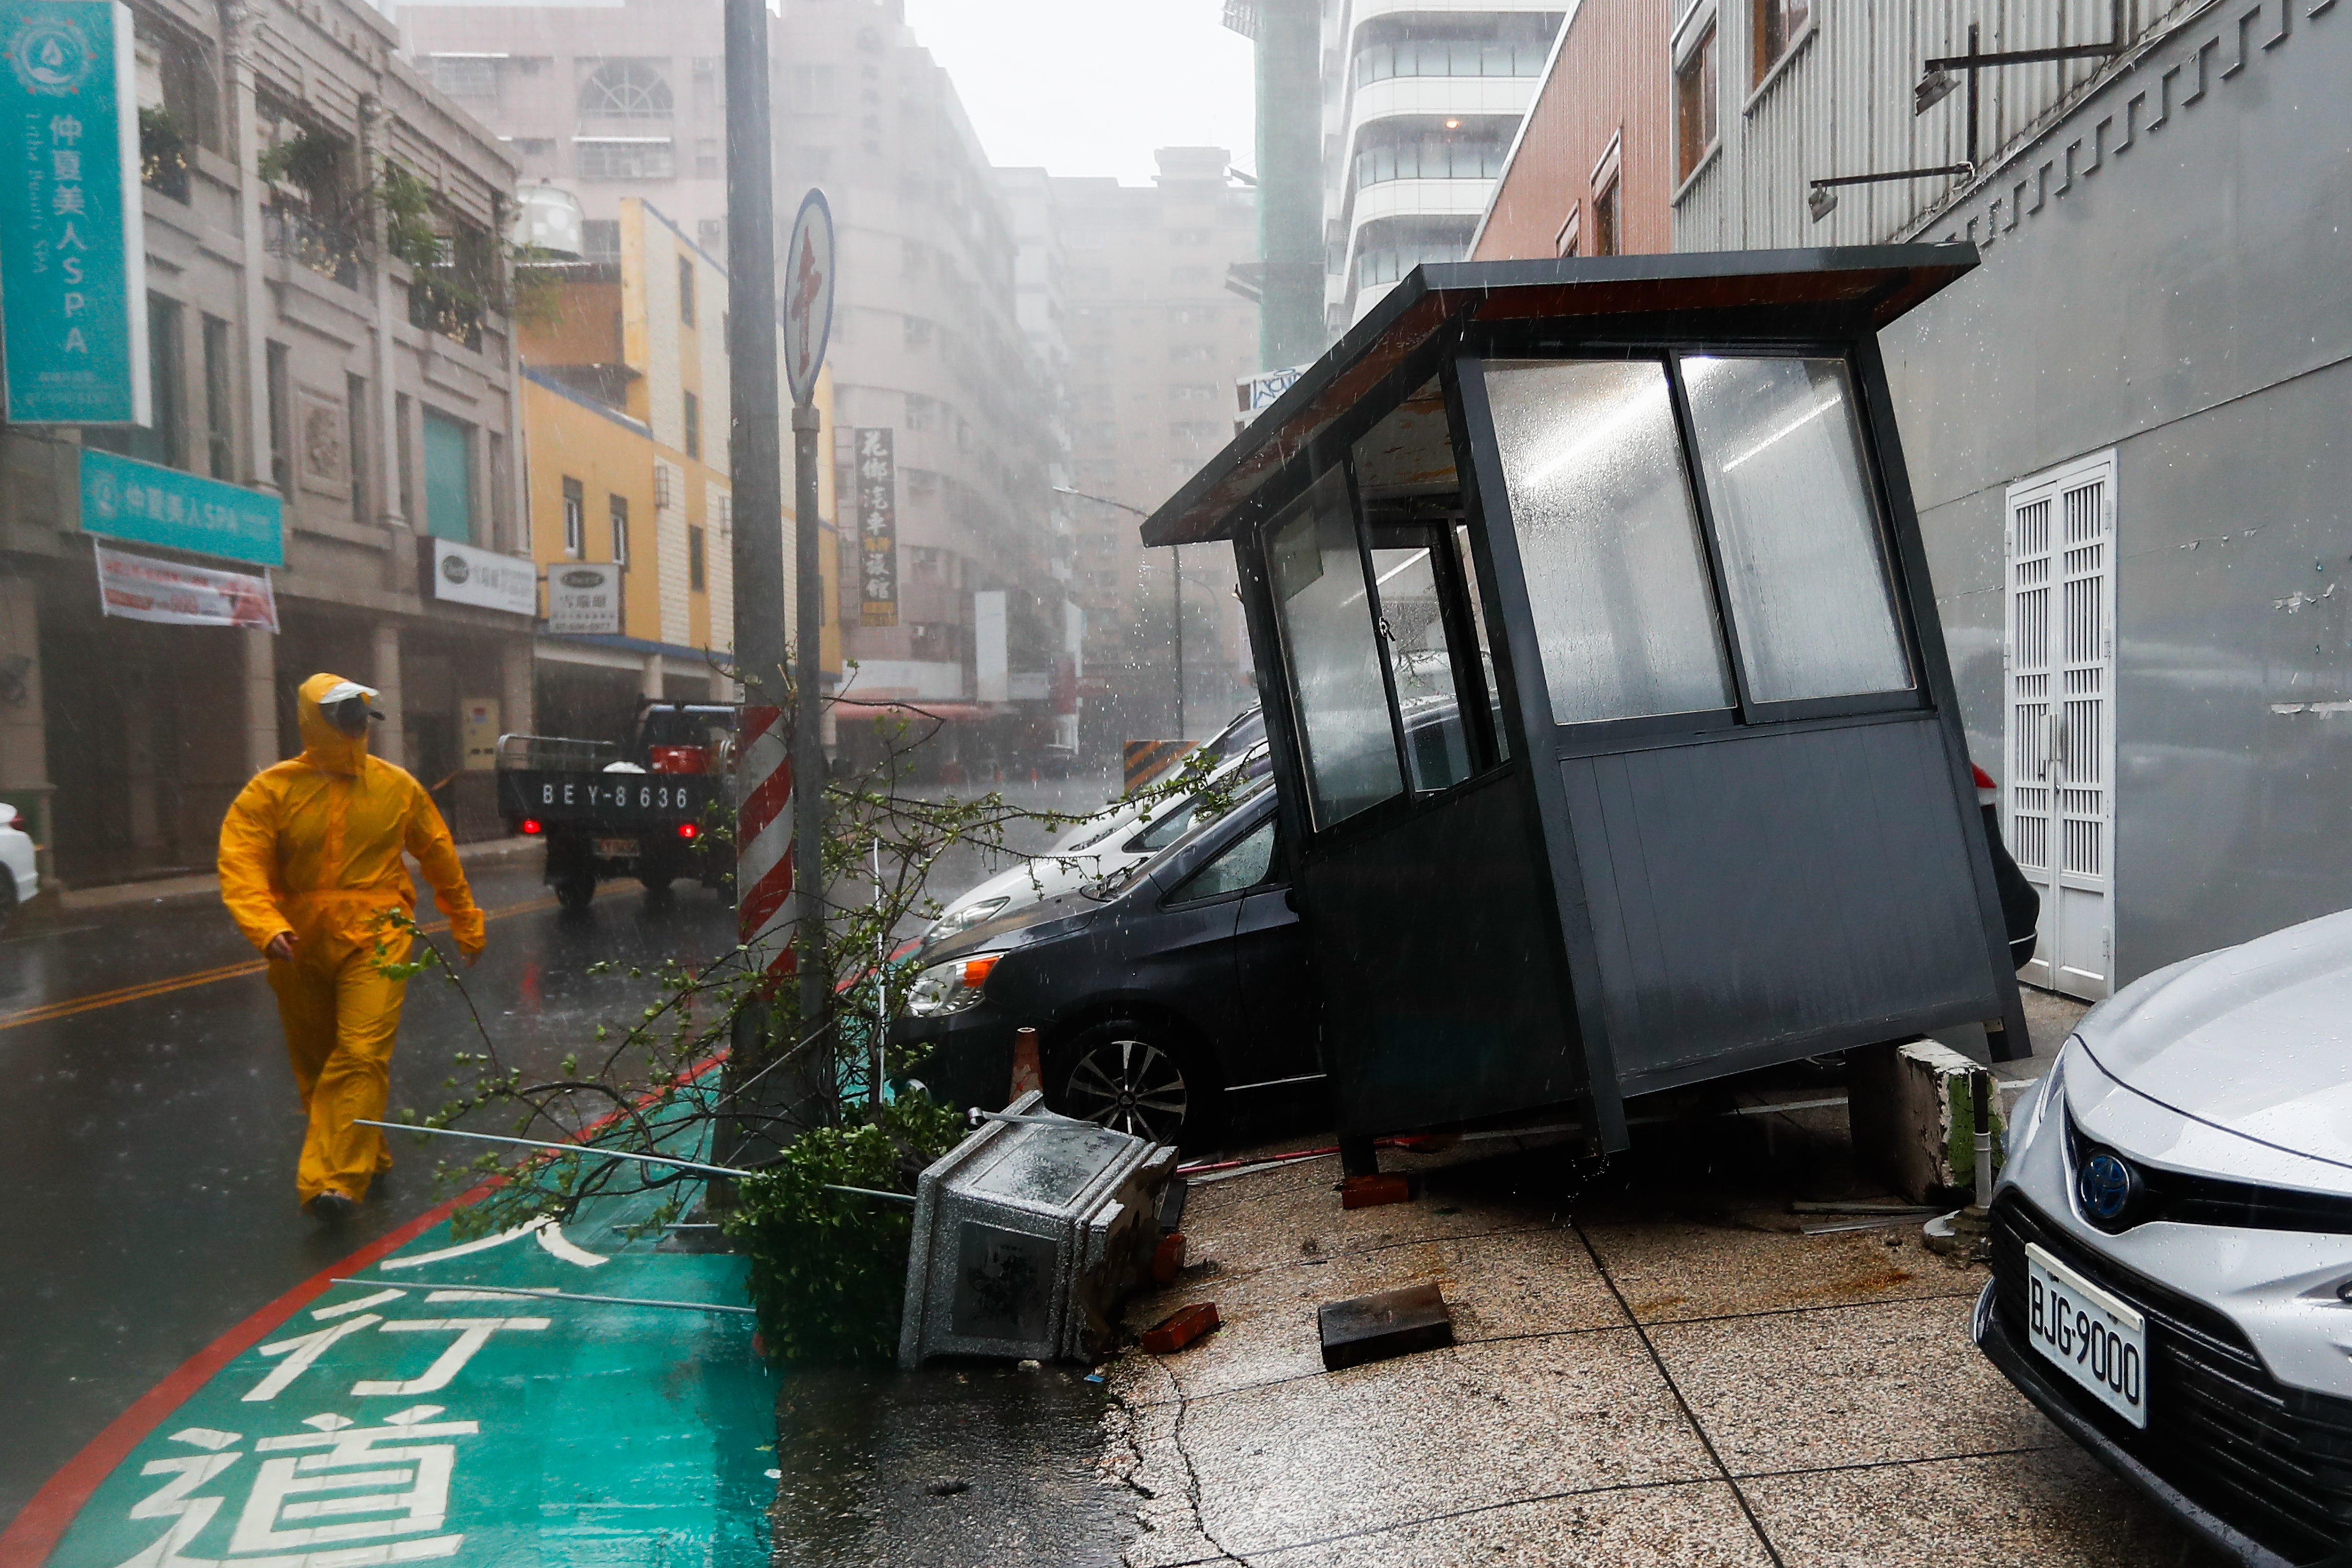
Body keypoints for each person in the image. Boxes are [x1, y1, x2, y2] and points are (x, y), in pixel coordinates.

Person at [218, 673, 486, 1223]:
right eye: (345, 714)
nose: (358, 725)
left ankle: (333, 1181)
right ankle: (366, 1146)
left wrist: (464, 917)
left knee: (361, 1051)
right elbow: (241, 866)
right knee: (317, 1063)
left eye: (362, 714)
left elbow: (437, 854)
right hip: (297, 940)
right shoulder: (269, 792)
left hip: (379, 932)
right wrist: (265, 925)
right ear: (317, 719)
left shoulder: (396, 787)